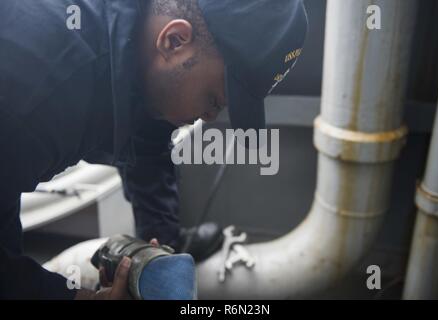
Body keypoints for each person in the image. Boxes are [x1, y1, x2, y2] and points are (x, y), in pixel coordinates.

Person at [0, 0, 308, 299]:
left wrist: (156, 253)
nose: (212, 116)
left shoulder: (137, 46)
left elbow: (148, 141)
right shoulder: (39, 83)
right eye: (214, 99)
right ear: (175, 40)